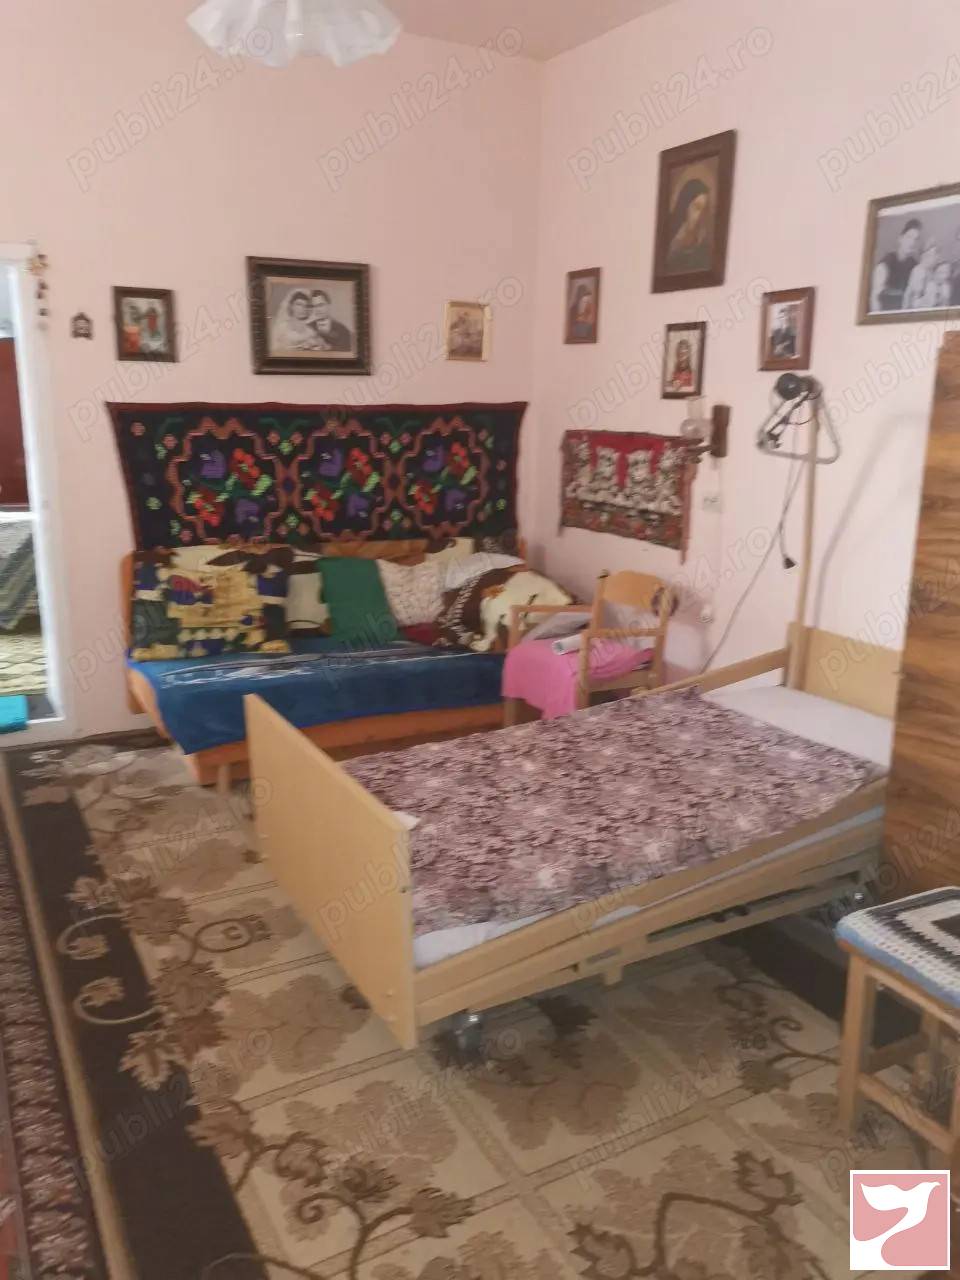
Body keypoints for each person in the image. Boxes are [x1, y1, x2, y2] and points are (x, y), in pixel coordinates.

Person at [871, 217, 922, 311]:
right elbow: (875, 298)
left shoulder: (915, 266)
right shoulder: (886, 263)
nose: (912, 242)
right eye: (909, 237)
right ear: (900, 238)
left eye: (916, 239)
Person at [665, 177, 712, 274]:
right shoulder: (669, 230)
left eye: (703, 209)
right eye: (697, 207)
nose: (700, 215)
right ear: (685, 203)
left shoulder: (702, 240)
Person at [903, 239, 939, 309]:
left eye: (935, 255)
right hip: (915, 307)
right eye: (931, 255)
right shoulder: (918, 271)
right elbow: (915, 294)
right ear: (923, 256)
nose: (935, 258)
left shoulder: (931, 271)